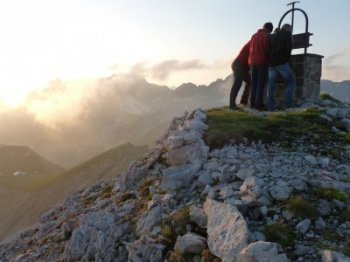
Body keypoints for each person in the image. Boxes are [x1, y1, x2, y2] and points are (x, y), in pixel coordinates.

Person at [267, 23, 295, 111]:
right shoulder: (287, 35)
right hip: (282, 62)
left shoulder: (273, 36)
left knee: (271, 84)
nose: (291, 31)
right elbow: (288, 50)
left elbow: (268, 48)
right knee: (291, 81)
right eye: (291, 30)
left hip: (271, 63)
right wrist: (286, 61)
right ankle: (288, 104)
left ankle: (270, 106)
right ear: (288, 29)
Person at [248, 22, 273, 110]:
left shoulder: (254, 36)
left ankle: (252, 103)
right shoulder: (267, 36)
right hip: (262, 61)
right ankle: (258, 104)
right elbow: (267, 49)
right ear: (270, 29)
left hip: (252, 62)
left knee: (253, 83)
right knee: (260, 84)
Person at [229, 41, 251, 109]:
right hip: (239, 65)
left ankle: (243, 101)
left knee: (250, 81)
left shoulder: (252, 42)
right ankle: (232, 105)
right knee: (237, 83)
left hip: (241, 65)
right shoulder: (253, 44)